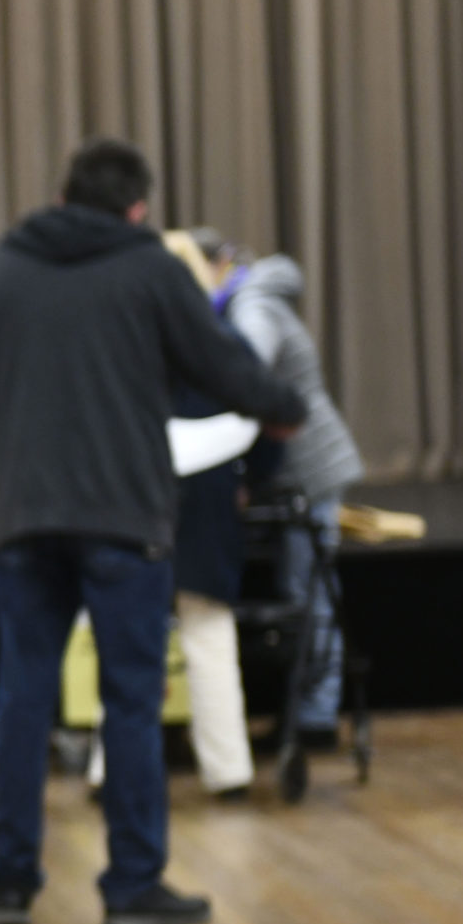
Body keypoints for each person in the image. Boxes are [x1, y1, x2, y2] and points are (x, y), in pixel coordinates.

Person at [0, 139, 307, 924]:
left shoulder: (1, 268)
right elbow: (221, 368)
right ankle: (134, 884)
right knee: (131, 703)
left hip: (29, 518)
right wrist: (285, 404)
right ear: (137, 208)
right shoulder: (150, 270)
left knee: (23, 701)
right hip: (125, 520)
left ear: (64, 194)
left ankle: (9, 884)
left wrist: (26, 447)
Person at [222, 240, 365, 745]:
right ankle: (308, 711)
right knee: (307, 591)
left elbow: (246, 375)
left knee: (309, 595)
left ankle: (315, 720)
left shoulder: (252, 306)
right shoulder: (257, 296)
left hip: (307, 470)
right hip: (299, 469)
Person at [164, 228, 254, 799]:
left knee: (129, 638)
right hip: (210, 503)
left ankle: (110, 770)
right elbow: (267, 415)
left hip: (140, 503)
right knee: (210, 633)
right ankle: (229, 772)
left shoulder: (126, 345)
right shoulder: (226, 341)